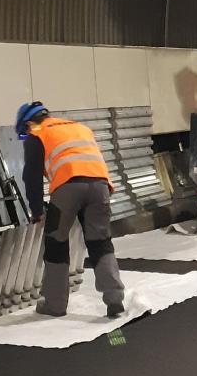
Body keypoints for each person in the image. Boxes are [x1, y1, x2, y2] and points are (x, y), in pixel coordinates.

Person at [15, 101, 125, 319]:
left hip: (68, 188)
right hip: (101, 187)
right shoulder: (79, 128)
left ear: (28, 123)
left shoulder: (37, 132)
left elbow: (31, 177)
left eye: (23, 133)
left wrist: (36, 211)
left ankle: (55, 305)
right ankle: (115, 300)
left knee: (56, 243)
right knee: (100, 242)